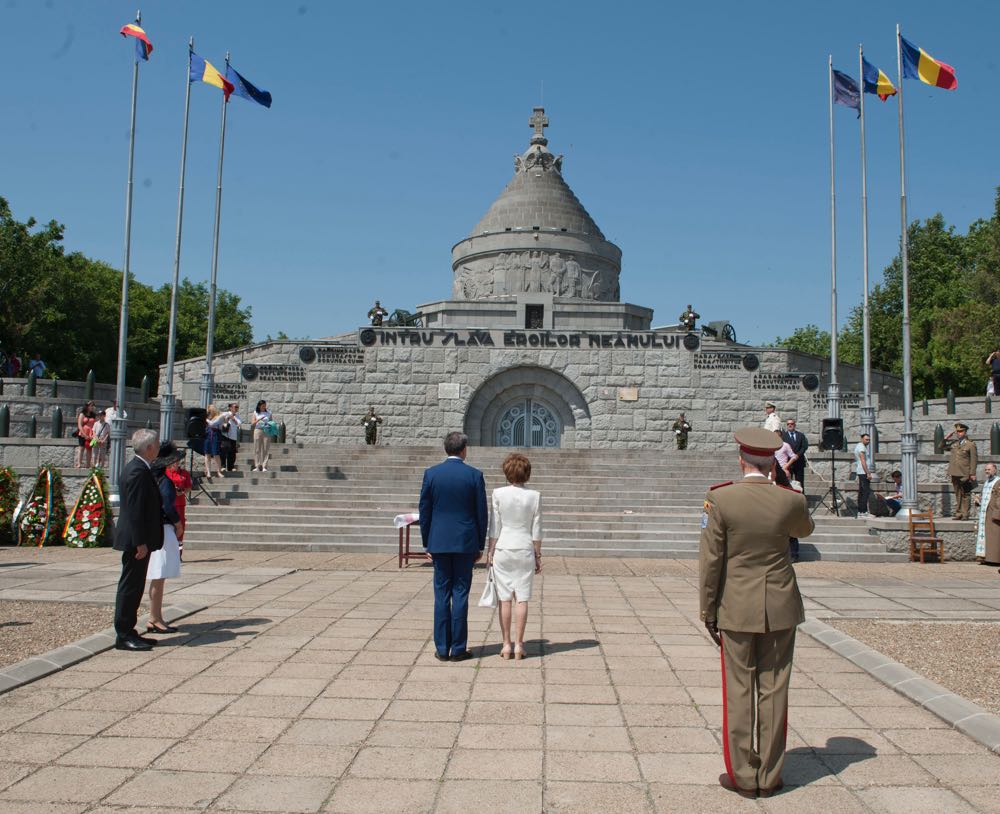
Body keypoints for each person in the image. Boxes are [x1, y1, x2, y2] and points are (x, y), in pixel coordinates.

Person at [699, 427, 815, 799]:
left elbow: (712, 559)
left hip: (735, 604)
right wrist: (785, 488)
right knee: (775, 688)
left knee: (738, 689)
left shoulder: (722, 499)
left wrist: (708, 609)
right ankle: (770, 774)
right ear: (773, 464)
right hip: (780, 605)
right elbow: (806, 529)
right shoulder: (788, 499)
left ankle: (744, 776)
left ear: (741, 459)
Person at [418, 431, 488, 662]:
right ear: (464, 449)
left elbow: (425, 511)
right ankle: (458, 648)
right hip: (464, 542)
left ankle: (441, 647)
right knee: (460, 594)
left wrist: (427, 541)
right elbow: (481, 512)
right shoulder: (474, 475)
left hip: (439, 541)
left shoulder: (431, 474)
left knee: (441, 594)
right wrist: (479, 543)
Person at [486, 453, 542, 660]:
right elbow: (537, 529)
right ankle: (519, 644)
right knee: (522, 598)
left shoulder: (498, 493)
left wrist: (490, 551)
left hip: (503, 547)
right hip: (525, 547)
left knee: (505, 598)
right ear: (527, 473)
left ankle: (506, 644)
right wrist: (538, 555)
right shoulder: (534, 496)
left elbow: (495, 527)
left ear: (507, 472)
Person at [112, 429, 164, 652]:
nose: (159, 447)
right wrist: (140, 541)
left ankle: (129, 630)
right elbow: (134, 510)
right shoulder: (137, 471)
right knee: (130, 587)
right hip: (136, 541)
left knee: (135, 585)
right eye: (157, 444)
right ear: (150, 447)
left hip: (139, 539)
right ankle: (123, 634)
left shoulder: (141, 468)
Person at [146, 442, 185, 635]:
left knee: (157, 576)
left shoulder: (150, 478)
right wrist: (178, 523)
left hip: (153, 528)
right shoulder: (164, 481)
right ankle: (154, 617)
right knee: (159, 576)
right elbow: (168, 507)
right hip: (163, 528)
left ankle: (156, 616)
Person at [944, 423, 978, 520]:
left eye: (961, 431)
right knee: (957, 493)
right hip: (954, 473)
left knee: (966, 494)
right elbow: (941, 447)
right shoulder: (954, 444)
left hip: (965, 473)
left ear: (965, 432)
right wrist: (946, 438)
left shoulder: (970, 444)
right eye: (957, 431)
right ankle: (958, 513)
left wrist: (972, 473)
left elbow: (974, 459)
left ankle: (965, 514)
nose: (959, 433)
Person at [166, 456, 192, 562]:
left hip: (180, 504)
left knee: (180, 529)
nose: (175, 464)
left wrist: (181, 492)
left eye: (177, 462)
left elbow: (189, 487)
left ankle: (178, 554)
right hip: (169, 504)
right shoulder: (166, 473)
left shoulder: (184, 473)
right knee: (168, 529)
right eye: (173, 462)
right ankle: (167, 553)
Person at [974, 463, 999, 561]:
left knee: (993, 536)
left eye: (989, 469)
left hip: (992, 513)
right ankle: (983, 556)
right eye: (986, 470)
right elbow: (984, 497)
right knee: (985, 536)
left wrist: (997, 512)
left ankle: (994, 558)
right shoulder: (986, 482)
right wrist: (978, 500)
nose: (987, 471)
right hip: (984, 514)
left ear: (995, 470)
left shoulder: (998, 482)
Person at [202, 405, 228, 480]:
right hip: (207, 435)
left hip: (215, 435)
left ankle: (218, 471)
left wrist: (206, 420)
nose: (208, 412)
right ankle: (208, 472)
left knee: (216, 454)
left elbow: (212, 424)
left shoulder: (219, 417)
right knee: (207, 454)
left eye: (209, 411)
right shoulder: (208, 418)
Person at [781, 418, 808, 490]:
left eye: (792, 424)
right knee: (787, 481)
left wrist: (798, 455)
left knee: (800, 481)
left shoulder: (801, 435)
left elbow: (804, 446)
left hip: (799, 462)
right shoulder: (783, 436)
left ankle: (801, 497)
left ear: (795, 425)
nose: (790, 425)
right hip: (788, 463)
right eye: (788, 424)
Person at [854, 432, 873, 518]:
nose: (868, 441)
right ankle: (863, 511)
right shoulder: (861, 447)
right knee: (865, 492)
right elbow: (863, 460)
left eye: (869, 440)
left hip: (861, 471)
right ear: (862, 439)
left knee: (862, 492)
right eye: (866, 439)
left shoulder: (859, 446)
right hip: (863, 472)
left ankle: (860, 511)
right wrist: (868, 472)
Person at [252, 400, 274, 472]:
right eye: (262, 406)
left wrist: (269, 424)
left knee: (265, 449)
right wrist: (258, 420)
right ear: (259, 406)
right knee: (257, 449)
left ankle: (264, 466)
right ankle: (257, 466)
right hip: (258, 430)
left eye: (265, 405)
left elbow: (271, 422)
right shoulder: (255, 412)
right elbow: (253, 423)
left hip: (266, 431)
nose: (264, 407)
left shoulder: (269, 413)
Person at [219, 403, 242, 472]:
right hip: (225, 435)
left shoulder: (237, 416)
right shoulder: (225, 414)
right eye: (235, 407)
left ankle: (231, 467)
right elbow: (219, 421)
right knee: (223, 451)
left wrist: (233, 419)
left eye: (237, 407)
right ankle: (223, 466)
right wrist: (227, 419)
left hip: (233, 437)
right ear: (230, 408)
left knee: (232, 452)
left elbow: (239, 424)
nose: (236, 408)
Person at [74, 401, 97, 469]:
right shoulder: (82, 414)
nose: (92, 407)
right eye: (91, 406)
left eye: (93, 406)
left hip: (91, 434)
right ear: (87, 406)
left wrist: (94, 434)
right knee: (81, 448)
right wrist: (84, 434)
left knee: (89, 449)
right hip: (83, 433)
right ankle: (79, 463)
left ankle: (88, 464)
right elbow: (80, 425)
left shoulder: (93, 415)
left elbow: (95, 424)